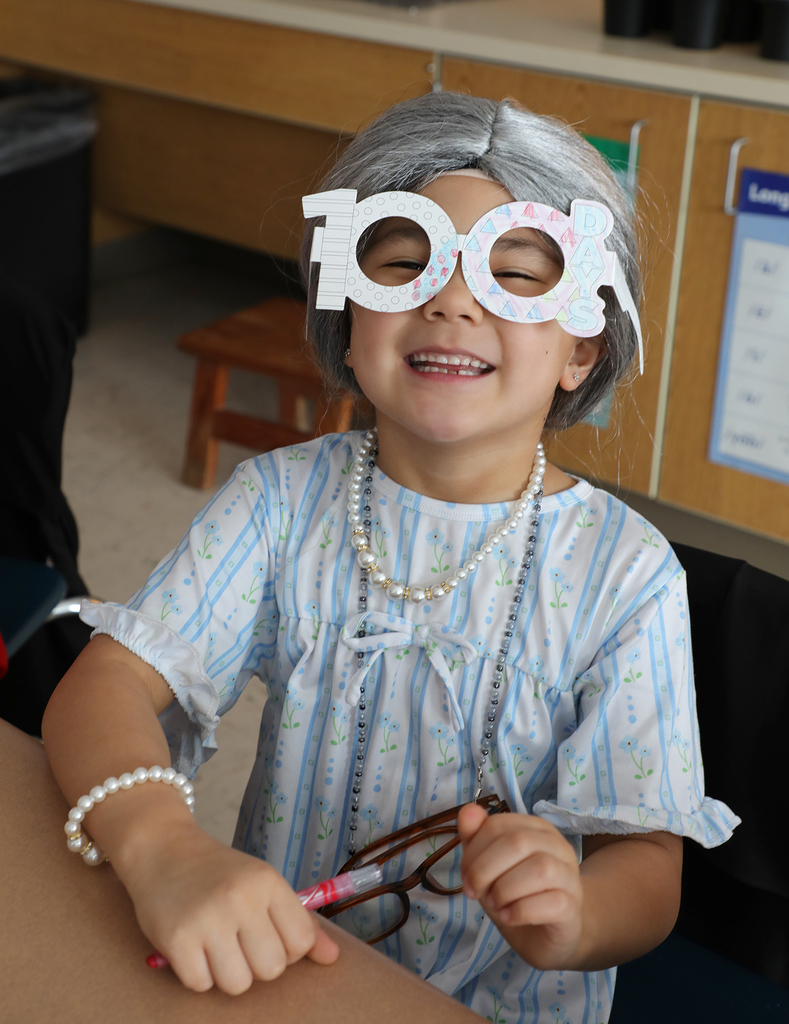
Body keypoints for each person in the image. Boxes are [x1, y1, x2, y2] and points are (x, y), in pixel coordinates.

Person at [41, 93, 738, 1024]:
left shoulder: (629, 576)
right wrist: (167, 849)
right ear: (348, 309)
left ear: (583, 344)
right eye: (405, 261)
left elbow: (647, 866)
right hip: (291, 974)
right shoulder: (280, 503)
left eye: (515, 275)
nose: (450, 298)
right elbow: (104, 688)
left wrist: (577, 916)